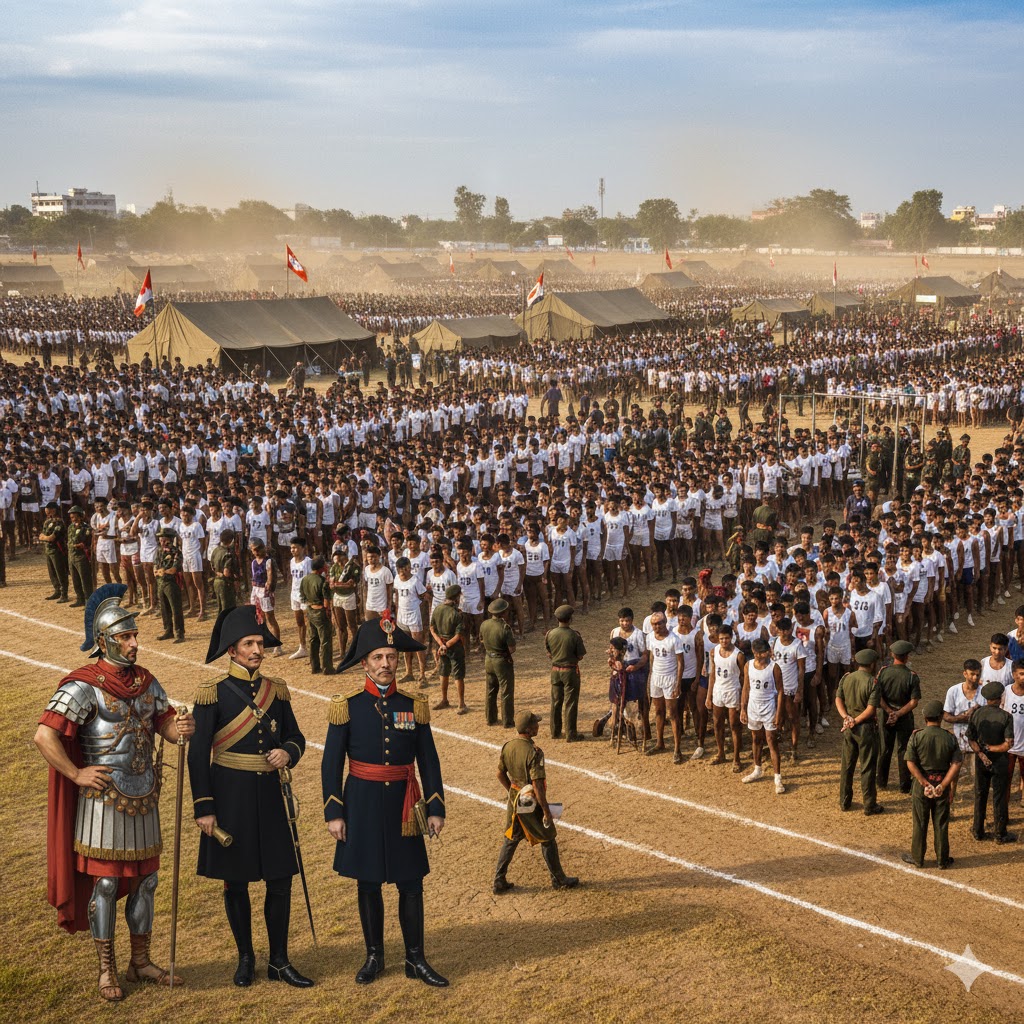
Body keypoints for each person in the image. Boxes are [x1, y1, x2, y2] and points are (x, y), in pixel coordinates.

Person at [33, 584, 195, 1001]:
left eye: (135, 635)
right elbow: (44, 737)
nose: (135, 642)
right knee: (105, 886)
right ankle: (106, 970)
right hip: (102, 802)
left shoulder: (146, 682)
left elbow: (165, 727)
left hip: (143, 798)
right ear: (105, 641)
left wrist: (182, 730)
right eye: (125, 637)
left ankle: (140, 962)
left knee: (148, 881)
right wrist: (77, 773)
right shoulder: (83, 685)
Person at [321, 612, 448, 987]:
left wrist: (436, 806)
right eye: (378, 657)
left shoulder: (414, 703)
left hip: (406, 806)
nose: (386, 664)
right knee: (368, 882)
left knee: (411, 883)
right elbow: (331, 764)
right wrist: (334, 812)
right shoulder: (347, 705)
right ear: (364, 663)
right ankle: (374, 956)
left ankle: (415, 959)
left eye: (391, 656)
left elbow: (429, 760)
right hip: (361, 802)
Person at [189, 606, 313, 988]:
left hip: (270, 796)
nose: (257, 649)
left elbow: (296, 736)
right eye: (249, 643)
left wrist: (288, 752)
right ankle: (245, 958)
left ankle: (279, 960)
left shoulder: (276, 690)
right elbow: (198, 753)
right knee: (236, 881)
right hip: (231, 797)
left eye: (260, 642)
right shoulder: (212, 694)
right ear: (232, 651)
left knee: (280, 880)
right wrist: (205, 808)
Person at [494, 709, 579, 894]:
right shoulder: (534, 753)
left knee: (511, 838)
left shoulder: (508, 746)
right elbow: (537, 786)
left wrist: (511, 791)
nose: (538, 726)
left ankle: (499, 880)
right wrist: (546, 811)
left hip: (515, 798)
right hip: (529, 799)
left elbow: (500, 773)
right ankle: (559, 879)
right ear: (529, 729)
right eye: (536, 724)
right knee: (548, 837)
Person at [902, 699, 962, 869]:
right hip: (940, 785)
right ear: (941, 716)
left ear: (925, 717)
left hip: (922, 787)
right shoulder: (949, 738)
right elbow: (956, 763)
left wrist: (923, 782)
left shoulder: (917, 736)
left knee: (920, 822)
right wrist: (943, 785)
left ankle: (918, 858)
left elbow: (910, 762)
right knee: (941, 823)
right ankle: (942, 860)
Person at [967, 680, 1017, 843]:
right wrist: (990, 749)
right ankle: (1000, 834)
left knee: (980, 794)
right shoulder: (1006, 716)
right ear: (1000, 697)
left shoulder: (977, 714)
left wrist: (982, 754)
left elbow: (971, 739)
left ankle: (978, 830)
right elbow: (1008, 744)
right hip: (999, 762)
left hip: (981, 761)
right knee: (999, 797)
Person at [835, 648, 884, 815]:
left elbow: (838, 699)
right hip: (866, 728)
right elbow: (871, 710)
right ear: (872, 664)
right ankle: (869, 804)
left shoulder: (847, 678)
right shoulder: (873, 682)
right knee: (867, 767)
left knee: (847, 766)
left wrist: (846, 718)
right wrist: (855, 720)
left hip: (849, 727)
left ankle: (844, 801)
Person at [876, 640, 921, 793]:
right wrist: (898, 713)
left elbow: (878, 696)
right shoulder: (911, 676)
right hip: (904, 717)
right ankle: (905, 785)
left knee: (884, 748)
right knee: (903, 750)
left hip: (886, 717)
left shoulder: (883, 672)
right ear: (907, 657)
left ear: (892, 655)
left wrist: (889, 711)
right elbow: (914, 701)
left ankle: (881, 782)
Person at [545, 604, 587, 741]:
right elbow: (580, 656)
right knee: (570, 703)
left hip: (555, 671)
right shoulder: (574, 635)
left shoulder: (550, 634)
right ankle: (571, 734)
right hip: (570, 671)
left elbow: (549, 653)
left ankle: (555, 732)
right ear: (570, 619)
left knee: (556, 702)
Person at [480, 597, 517, 727]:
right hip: (501, 660)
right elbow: (512, 648)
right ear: (504, 612)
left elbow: (481, 640)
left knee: (490, 690)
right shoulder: (505, 627)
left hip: (488, 659)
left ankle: (490, 718)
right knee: (506, 691)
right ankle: (507, 721)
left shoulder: (484, 624)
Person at [429, 584, 466, 713]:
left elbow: (432, 629)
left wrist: (441, 644)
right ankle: (461, 703)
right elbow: (458, 635)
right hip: (453, 647)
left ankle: (444, 699)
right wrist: (447, 645)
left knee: (443, 673)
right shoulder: (457, 614)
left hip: (441, 646)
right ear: (456, 598)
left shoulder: (437, 609)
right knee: (458, 675)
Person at [300, 556, 335, 675]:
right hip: (320, 612)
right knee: (325, 641)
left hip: (310, 610)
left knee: (313, 639)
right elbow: (326, 602)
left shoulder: (305, 579)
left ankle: (315, 667)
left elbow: (303, 597)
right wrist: (329, 613)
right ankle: (327, 668)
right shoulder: (322, 581)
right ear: (321, 567)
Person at [154, 527, 185, 643]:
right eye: (160, 538)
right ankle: (168, 630)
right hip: (161, 582)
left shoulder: (176, 552)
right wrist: (156, 571)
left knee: (175, 608)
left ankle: (179, 632)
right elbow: (155, 564)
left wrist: (163, 571)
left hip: (171, 582)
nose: (161, 540)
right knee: (164, 608)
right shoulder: (159, 551)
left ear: (170, 539)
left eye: (163, 538)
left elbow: (174, 569)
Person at [40, 500, 69, 602]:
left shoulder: (59, 522)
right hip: (48, 550)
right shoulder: (47, 521)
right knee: (52, 572)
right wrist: (45, 537)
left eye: (47, 510)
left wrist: (45, 537)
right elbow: (41, 535)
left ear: (53, 510)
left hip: (58, 550)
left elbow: (52, 538)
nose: (46, 512)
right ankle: (57, 590)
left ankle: (64, 593)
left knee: (60, 572)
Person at [67, 504, 94, 606]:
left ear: (80, 516)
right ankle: (80, 598)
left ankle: (89, 600)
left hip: (81, 557)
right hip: (72, 556)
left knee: (85, 580)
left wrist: (82, 545)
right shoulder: (70, 527)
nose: (73, 519)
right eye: (71, 517)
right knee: (75, 579)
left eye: (74, 517)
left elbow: (87, 542)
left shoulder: (86, 528)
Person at [210, 528, 239, 614]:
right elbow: (226, 573)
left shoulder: (215, 550)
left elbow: (212, 567)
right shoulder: (227, 554)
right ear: (231, 540)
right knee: (228, 609)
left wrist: (217, 573)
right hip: (226, 584)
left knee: (220, 609)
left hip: (216, 582)